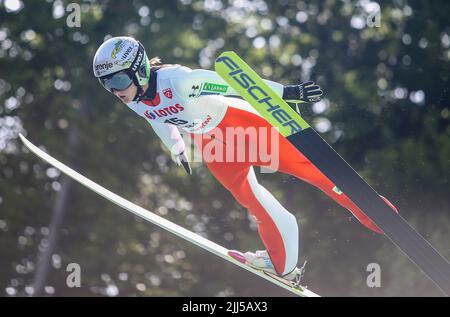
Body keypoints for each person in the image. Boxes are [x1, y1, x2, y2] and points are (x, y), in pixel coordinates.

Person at [92, 36, 398, 282]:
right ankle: (283, 265)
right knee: (253, 202)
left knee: (318, 175)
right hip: (212, 145)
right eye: (106, 84)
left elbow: (236, 84)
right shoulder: (133, 98)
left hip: (244, 126)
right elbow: (157, 119)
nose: (114, 91)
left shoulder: (180, 81)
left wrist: (286, 92)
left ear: (138, 69)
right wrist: (177, 148)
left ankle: (379, 216)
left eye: (117, 81)